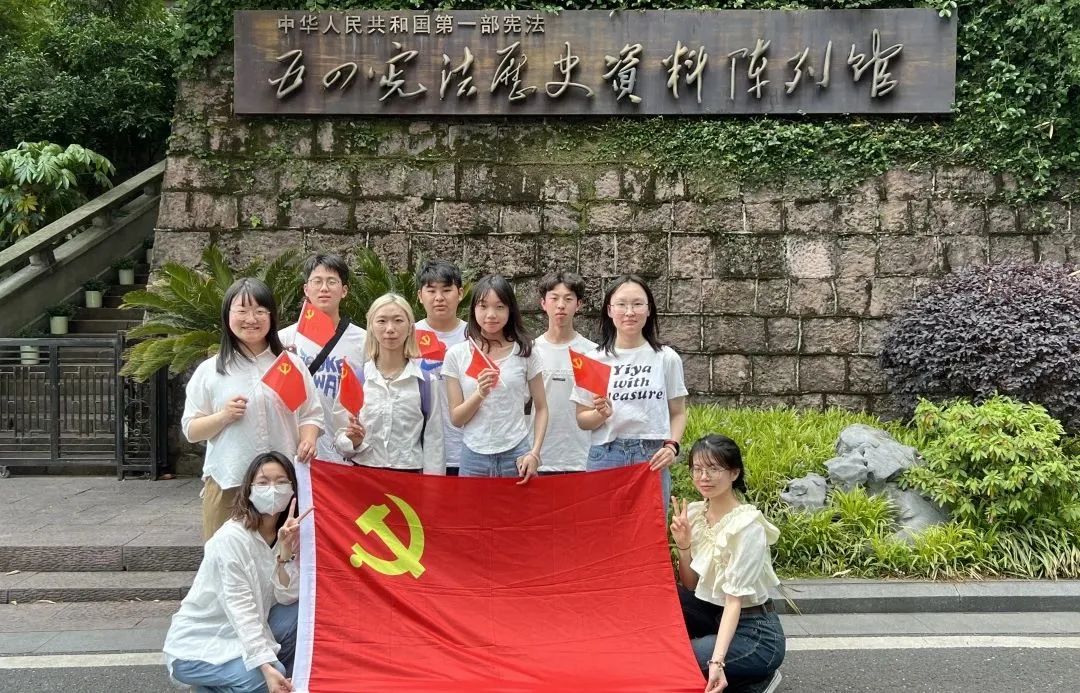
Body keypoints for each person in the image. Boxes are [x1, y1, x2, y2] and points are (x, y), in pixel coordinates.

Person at [183, 278, 323, 541]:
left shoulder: (290, 365)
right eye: (242, 311)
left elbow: (311, 413)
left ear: (271, 316)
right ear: (227, 315)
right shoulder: (211, 371)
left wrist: (308, 439)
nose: (251, 319)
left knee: (284, 556)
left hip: (283, 486)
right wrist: (223, 416)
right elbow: (191, 430)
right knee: (226, 557)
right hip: (229, 482)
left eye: (260, 311)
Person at [164, 451, 310, 693]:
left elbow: (287, 597)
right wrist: (266, 667)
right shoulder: (231, 538)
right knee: (268, 676)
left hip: (247, 634)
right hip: (200, 646)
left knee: (298, 611)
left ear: (293, 489)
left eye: (281, 482)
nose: (273, 489)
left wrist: (285, 554)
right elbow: (241, 608)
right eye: (263, 482)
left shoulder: (286, 533)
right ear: (249, 490)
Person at [669, 435, 785, 693]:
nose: (704, 477)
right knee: (668, 598)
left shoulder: (747, 527)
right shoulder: (696, 514)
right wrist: (684, 545)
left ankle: (754, 677)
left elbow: (734, 601)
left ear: (734, 473)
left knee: (680, 660)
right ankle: (736, 672)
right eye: (697, 469)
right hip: (715, 615)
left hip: (755, 634)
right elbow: (691, 585)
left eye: (713, 469)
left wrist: (717, 661)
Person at [571, 275, 688, 507]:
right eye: (621, 304)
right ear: (609, 310)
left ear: (648, 309)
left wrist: (672, 446)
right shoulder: (593, 360)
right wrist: (600, 414)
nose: (629, 312)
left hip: (651, 458)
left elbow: (678, 412)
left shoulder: (666, 358)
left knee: (650, 528)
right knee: (603, 527)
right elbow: (582, 420)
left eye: (637, 304)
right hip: (606, 457)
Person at [443, 275, 548, 482]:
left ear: (510, 310)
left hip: (517, 454)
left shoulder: (525, 352)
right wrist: (480, 393)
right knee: (470, 505)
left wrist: (534, 453)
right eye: (483, 306)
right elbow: (456, 419)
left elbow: (542, 407)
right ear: (474, 309)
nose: (491, 315)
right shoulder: (457, 354)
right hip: (473, 457)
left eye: (499, 307)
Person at [335, 293, 444, 472]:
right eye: (382, 321)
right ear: (371, 327)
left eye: (398, 320)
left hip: (409, 478)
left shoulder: (425, 382)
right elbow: (339, 438)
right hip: (364, 476)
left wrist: (433, 486)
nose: (390, 329)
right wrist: (352, 442)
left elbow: (435, 443)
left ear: (410, 327)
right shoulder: (356, 379)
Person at [279, 253, 366, 464]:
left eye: (332, 282)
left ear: (344, 290)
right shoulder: (285, 338)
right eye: (317, 281)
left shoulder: (363, 341)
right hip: (295, 450)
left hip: (342, 453)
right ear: (306, 289)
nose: (324, 288)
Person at [532, 272, 597, 474]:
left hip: (581, 458)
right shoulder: (530, 351)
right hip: (537, 457)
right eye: (554, 298)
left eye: (568, 299)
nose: (561, 305)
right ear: (543, 303)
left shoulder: (592, 353)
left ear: (579, 305)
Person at [414, 260, 469, 475]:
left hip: (466, 449)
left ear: (460, 293)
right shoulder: (406, 336)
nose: (439, 297)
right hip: (420, 449)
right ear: (420, 296)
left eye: (446, 290)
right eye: (431, 291)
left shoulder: (475, 337)